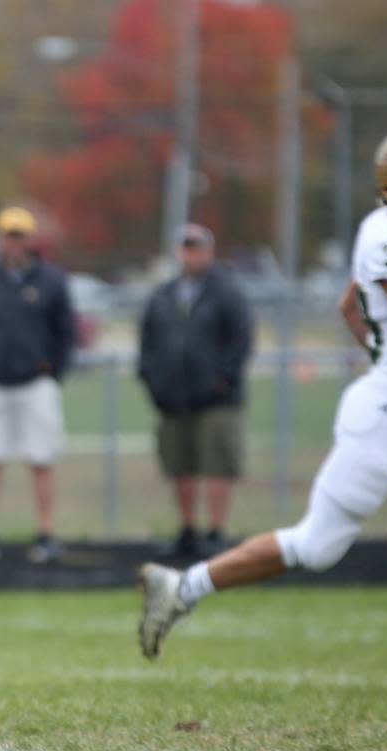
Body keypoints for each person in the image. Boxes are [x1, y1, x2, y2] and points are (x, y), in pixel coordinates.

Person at [138, 125, 387, 659]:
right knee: (316, 545)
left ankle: (181, 588)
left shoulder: (382, 228)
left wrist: (385, 359)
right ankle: (182, 587)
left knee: (316, 544)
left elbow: (347, 307)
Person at [0, 206, 75, 563]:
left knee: (41, 457)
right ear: (0, 238)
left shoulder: (51, 280)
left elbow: (65, 332)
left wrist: (54, 369)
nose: (14, 242)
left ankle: (45, 532)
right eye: (9, 235)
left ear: (30, 239)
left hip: (35, 381)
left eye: (20, 235)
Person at [137, 223, 252, 558]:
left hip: (217, 399)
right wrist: (153, 381)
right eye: (186, 247)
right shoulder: (163, 295)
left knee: (217, 463)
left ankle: (216, 531)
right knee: (180, 465)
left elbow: (241, 340)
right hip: (174, 397)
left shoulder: (227, 292)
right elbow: (148, 343)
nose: (191, 254)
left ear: (209, 251)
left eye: (197, 247)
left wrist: (222, 379)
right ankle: (188, 530)